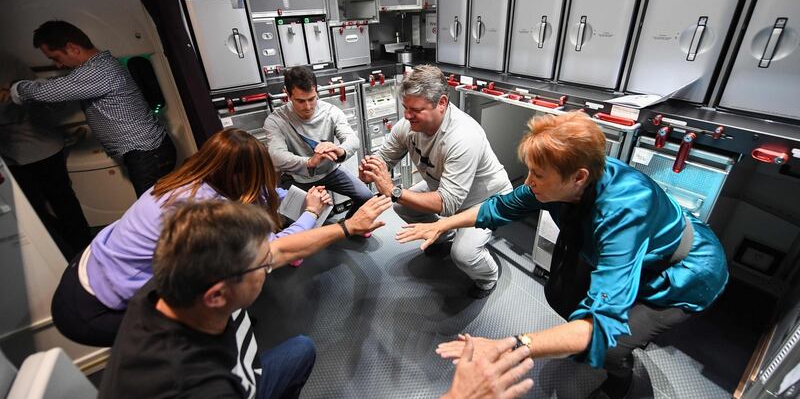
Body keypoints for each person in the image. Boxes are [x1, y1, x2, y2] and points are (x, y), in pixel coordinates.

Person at [397, 112, 729, 398]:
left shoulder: (624, 213)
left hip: (683, 271)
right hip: (632, 252)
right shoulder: (564, 176)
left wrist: (513, 346)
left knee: (610, 344)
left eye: (538, 176)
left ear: (578, 178)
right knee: (561, 293)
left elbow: (602, 321)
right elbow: (499, 207)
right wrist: (442, 224)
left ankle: (621, 384)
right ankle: (585, 340)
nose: (529, 182)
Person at [98, 201, 529, 399]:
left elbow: (282, 250)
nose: (272, 262)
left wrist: (346, 228)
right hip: (234, 386)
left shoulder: (173, 285)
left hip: (246, 373)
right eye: (261, 264)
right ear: (217, 296)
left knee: (301, 350)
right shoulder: (193, 386)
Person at [50, 128, 335, 349]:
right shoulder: (206, 213)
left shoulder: (193, 177)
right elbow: (273, 250)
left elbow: (259, 192)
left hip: (89, 265)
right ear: (237, 176)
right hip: (95, 307)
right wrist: (310, 213)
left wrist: (295, 197)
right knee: (193, 342)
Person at [360, 65, 512, 299]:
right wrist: (369, 170)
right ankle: (442, 237)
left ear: (441, 103)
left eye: (415, 110)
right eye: (405, 108)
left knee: (464, 254)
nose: (407, 116)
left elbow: (447, 204)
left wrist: (393, 190)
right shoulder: (407, 127)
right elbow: (384, 159)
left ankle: (488, 278)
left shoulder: (463, 136)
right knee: (403, 206)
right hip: (444, 188)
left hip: (486, 199)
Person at [3, 20, 175, 197]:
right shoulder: (92, 68)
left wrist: (16, 87)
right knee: (157, 205)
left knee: (155, 207)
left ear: (72, 48)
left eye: (55, 57)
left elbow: (49, 91)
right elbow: (61, 88)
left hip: (147, 154)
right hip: (145, 152)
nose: (57, 65)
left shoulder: (99, 70)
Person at [0, 51, 90, 260]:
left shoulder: (7, 60)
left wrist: (11, 93)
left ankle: (83, 250)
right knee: (34, 210)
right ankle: (66, 252)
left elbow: (31, 94)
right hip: (11, 154)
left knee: (62, 203)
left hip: (40, 145)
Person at [263, 66, 372, 218]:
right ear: (287, 94)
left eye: (312, 99)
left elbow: (352, 140)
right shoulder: (276, 120)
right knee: (291, 219)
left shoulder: (330, 111)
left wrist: (339, 150)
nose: (308, 107)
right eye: (300, 101)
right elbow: (276, 155)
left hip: (331, 171)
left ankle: (346, 225)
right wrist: (309, 162)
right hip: (297, 177)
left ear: (316, 91)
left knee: (367, 197)